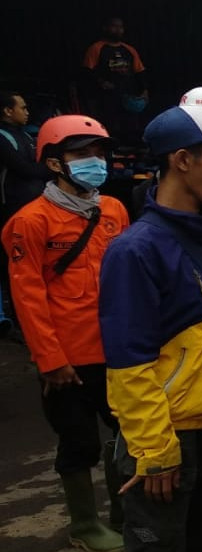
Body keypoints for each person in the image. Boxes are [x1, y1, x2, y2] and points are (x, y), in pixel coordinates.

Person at [100, 105, 202, 552]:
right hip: (168, 437)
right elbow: (128, 360)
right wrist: (154, 451)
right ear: (182, 160)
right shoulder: (135, 251)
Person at [3, 116, 128, 552]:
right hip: (68, 360)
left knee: (129, 434)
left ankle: (124, 514)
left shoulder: (112, 210)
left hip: (115, 348)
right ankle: (84, 526)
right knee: (79, 443)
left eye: (98, 152)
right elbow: (28, 294)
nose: (95, 161)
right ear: (55, 163)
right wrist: (50, 359)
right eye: (81, 154)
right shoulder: (30, 221)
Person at [82, 18, 148, 146]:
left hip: (128, 96)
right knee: (110, 129)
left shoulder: (129, 50)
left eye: (120, 27)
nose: (118, 29)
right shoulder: (97, 48)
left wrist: (144, 91)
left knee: (130, 129)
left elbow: (140, 72)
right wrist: (101, 82)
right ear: (105, 28)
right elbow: (87, 72)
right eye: (114, 26)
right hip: (105, 98)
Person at [0, 91, 50, 227]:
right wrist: (52, 168)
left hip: (37, 202)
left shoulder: (27, 135)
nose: (27, 112)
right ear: (8, 111)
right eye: (23, 108)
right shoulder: (2, 137)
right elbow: (24, 169)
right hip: (13, 206)